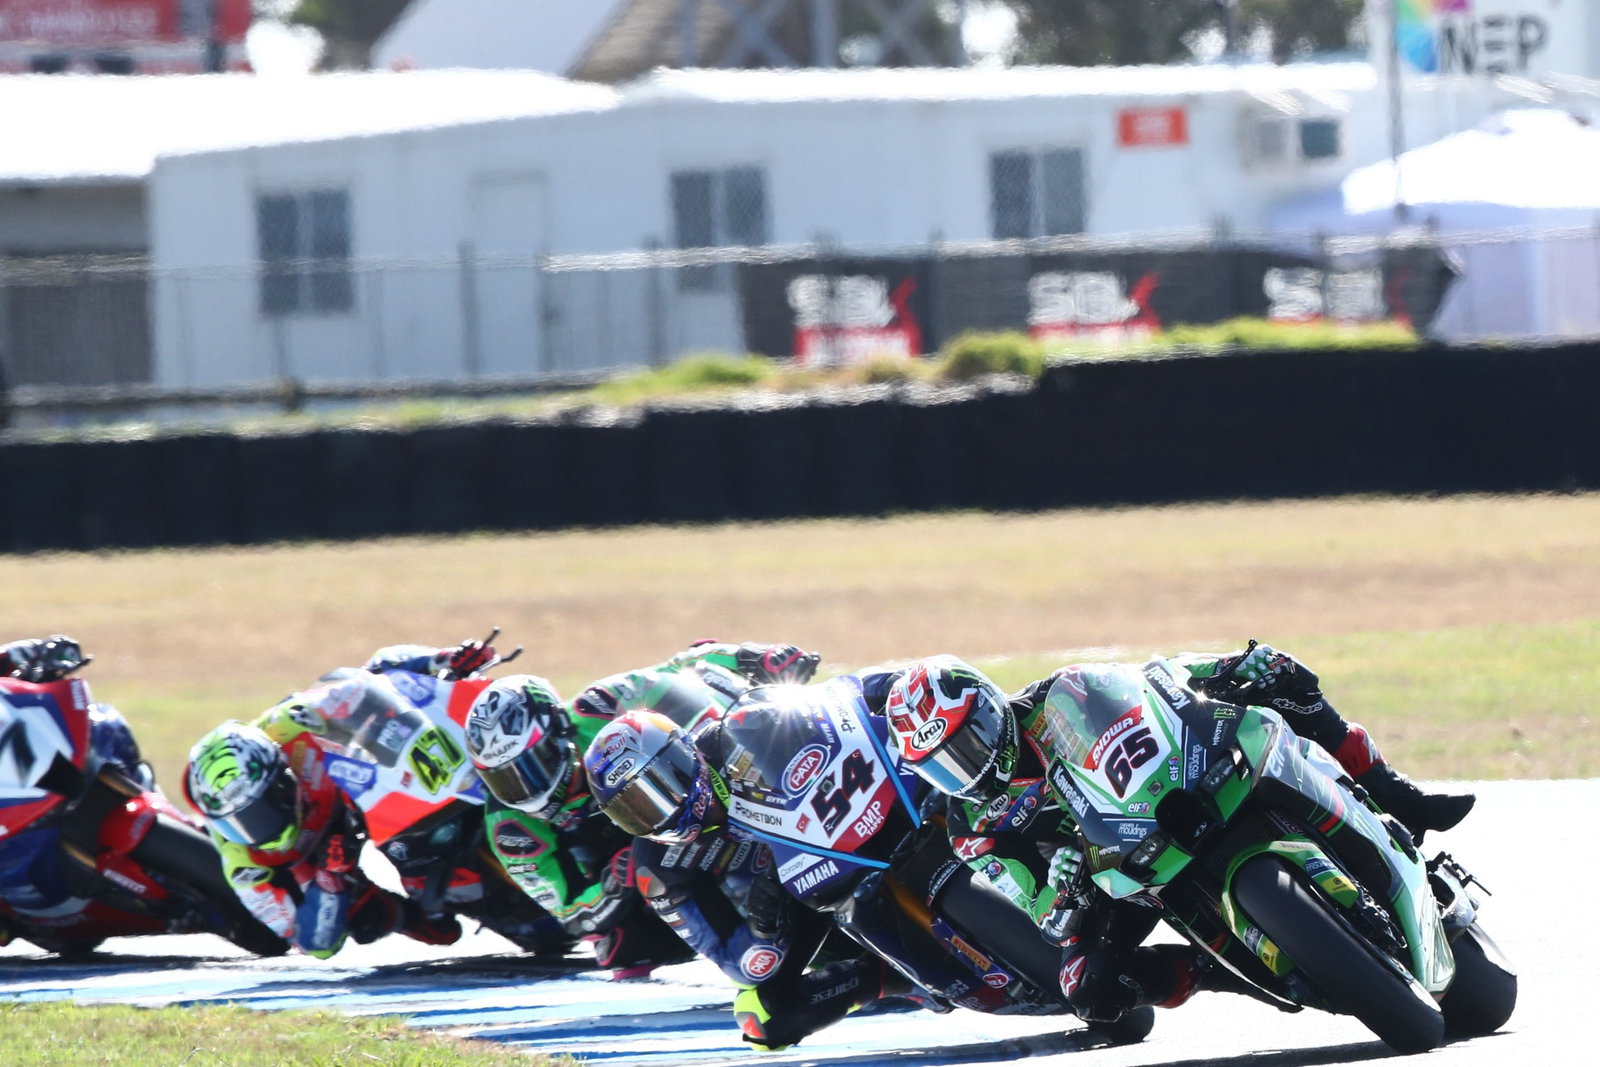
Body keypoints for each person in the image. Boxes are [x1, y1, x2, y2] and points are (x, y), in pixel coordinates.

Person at [882, 644, 1475, 1024]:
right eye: (941, 763)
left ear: (988, 708)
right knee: (1085, 988)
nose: (964, 767)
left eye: (965, 743)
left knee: (1282, 675)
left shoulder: (1063, 692)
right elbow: (1035, 904)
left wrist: (1225, 669)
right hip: (1114, 874)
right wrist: (1061, 890)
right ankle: (1213, 971)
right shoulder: (972, 825)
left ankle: (1396, 794)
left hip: (1177, 793)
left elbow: (1158, 682)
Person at [583, 694, 924, 1052]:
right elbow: (741, 966)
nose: (656, 814)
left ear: (679, 757)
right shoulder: (657, 866)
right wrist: (764, 926)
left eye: (656, 789)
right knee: (763, 1017)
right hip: (805, 899)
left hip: (854, 813)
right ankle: (896, 977)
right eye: (633, 808)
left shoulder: (736, 735)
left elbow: (839, 713)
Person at [463, 639, 820, 979]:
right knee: (627, 945)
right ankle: (754, 955)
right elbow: (570, 913)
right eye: (504, 778)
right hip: (631, 866)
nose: (526, 789)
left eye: (531, 765)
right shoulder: (510, 829)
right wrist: (613, 884)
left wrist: (752, 657)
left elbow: (687, 666)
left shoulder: (602, 703)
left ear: (558, 729)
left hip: (694, 799)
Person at [178, 636, 510, 959]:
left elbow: (362, 680)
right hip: (325, 855)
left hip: (357, 789)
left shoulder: (280, 727)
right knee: (367, 917)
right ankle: (408, 916)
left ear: (279, 783)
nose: (254, 832)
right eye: (236, 824)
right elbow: (310, 942)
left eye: (256, 814)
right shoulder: (243, 866)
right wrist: (330, 877)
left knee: (388, 674)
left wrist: (440, 660)